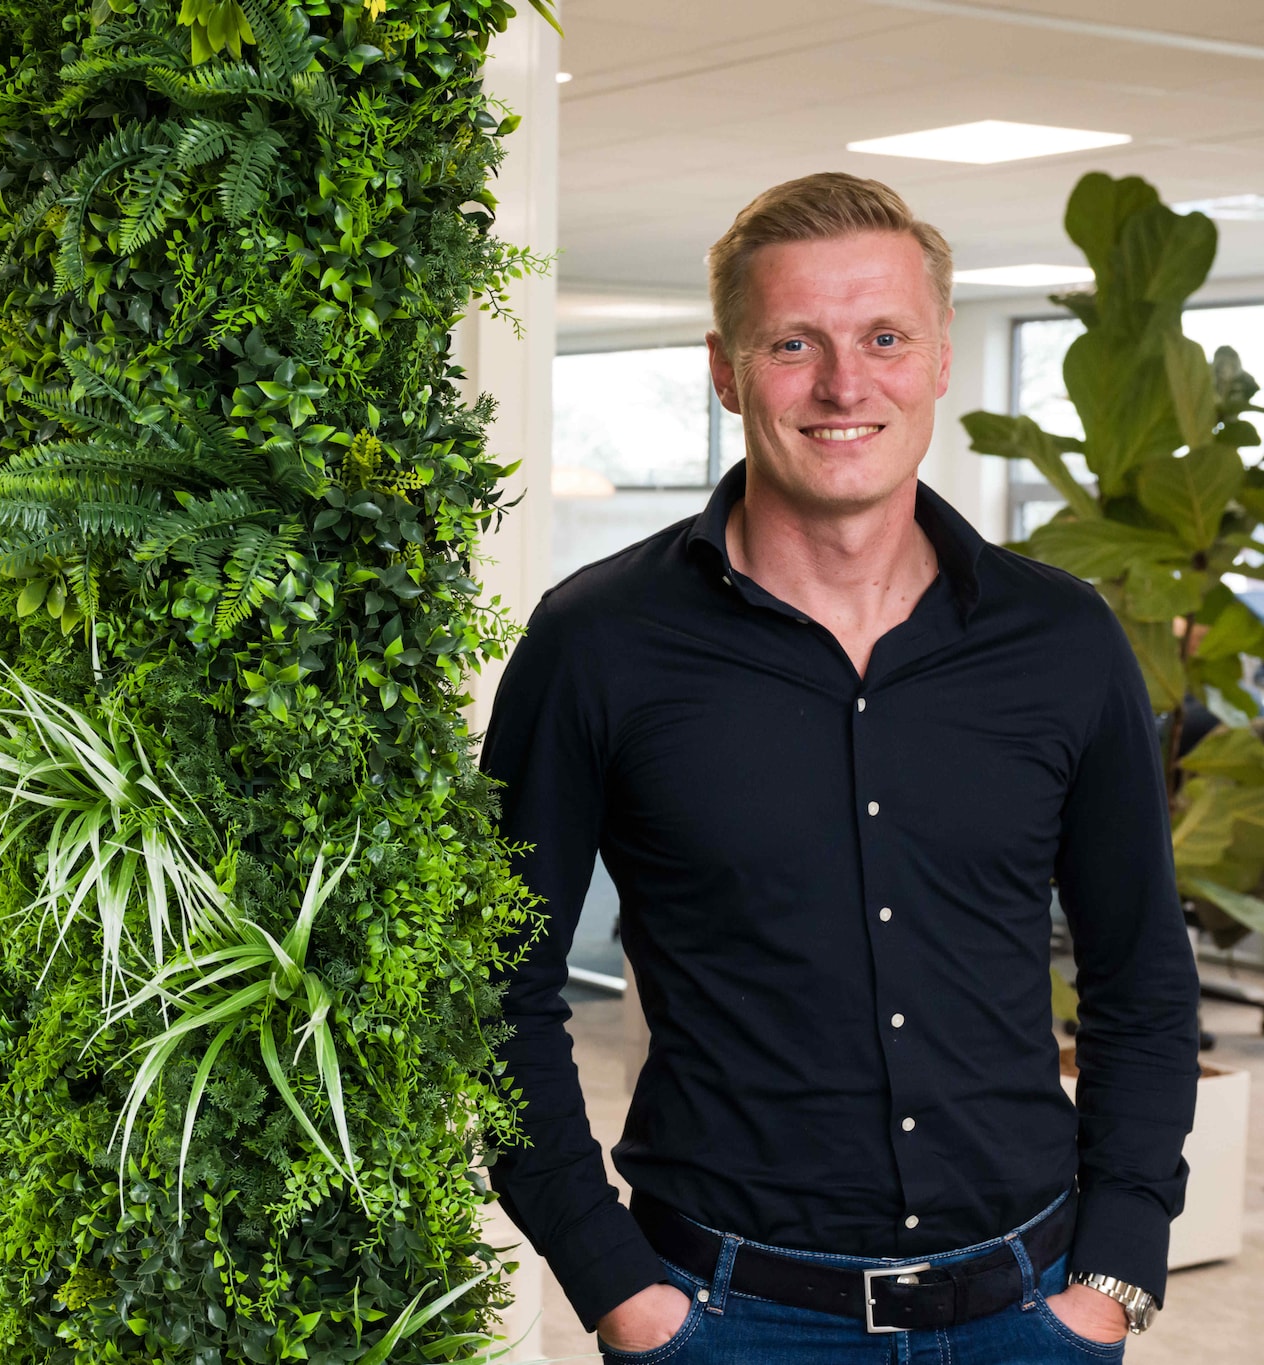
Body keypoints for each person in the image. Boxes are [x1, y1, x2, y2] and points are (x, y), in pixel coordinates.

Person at [480, 173, 1199, 1361]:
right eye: (791, 343)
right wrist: (613, 1283)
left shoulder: (1061, 642)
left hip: (1031, 1310)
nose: (841, 384)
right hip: (718, 1317)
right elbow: (492, 986)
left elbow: (1138, 978)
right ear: (723, 368)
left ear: (938, 359)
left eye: (881, 337)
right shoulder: (597, 641)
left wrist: (1114, 1271)